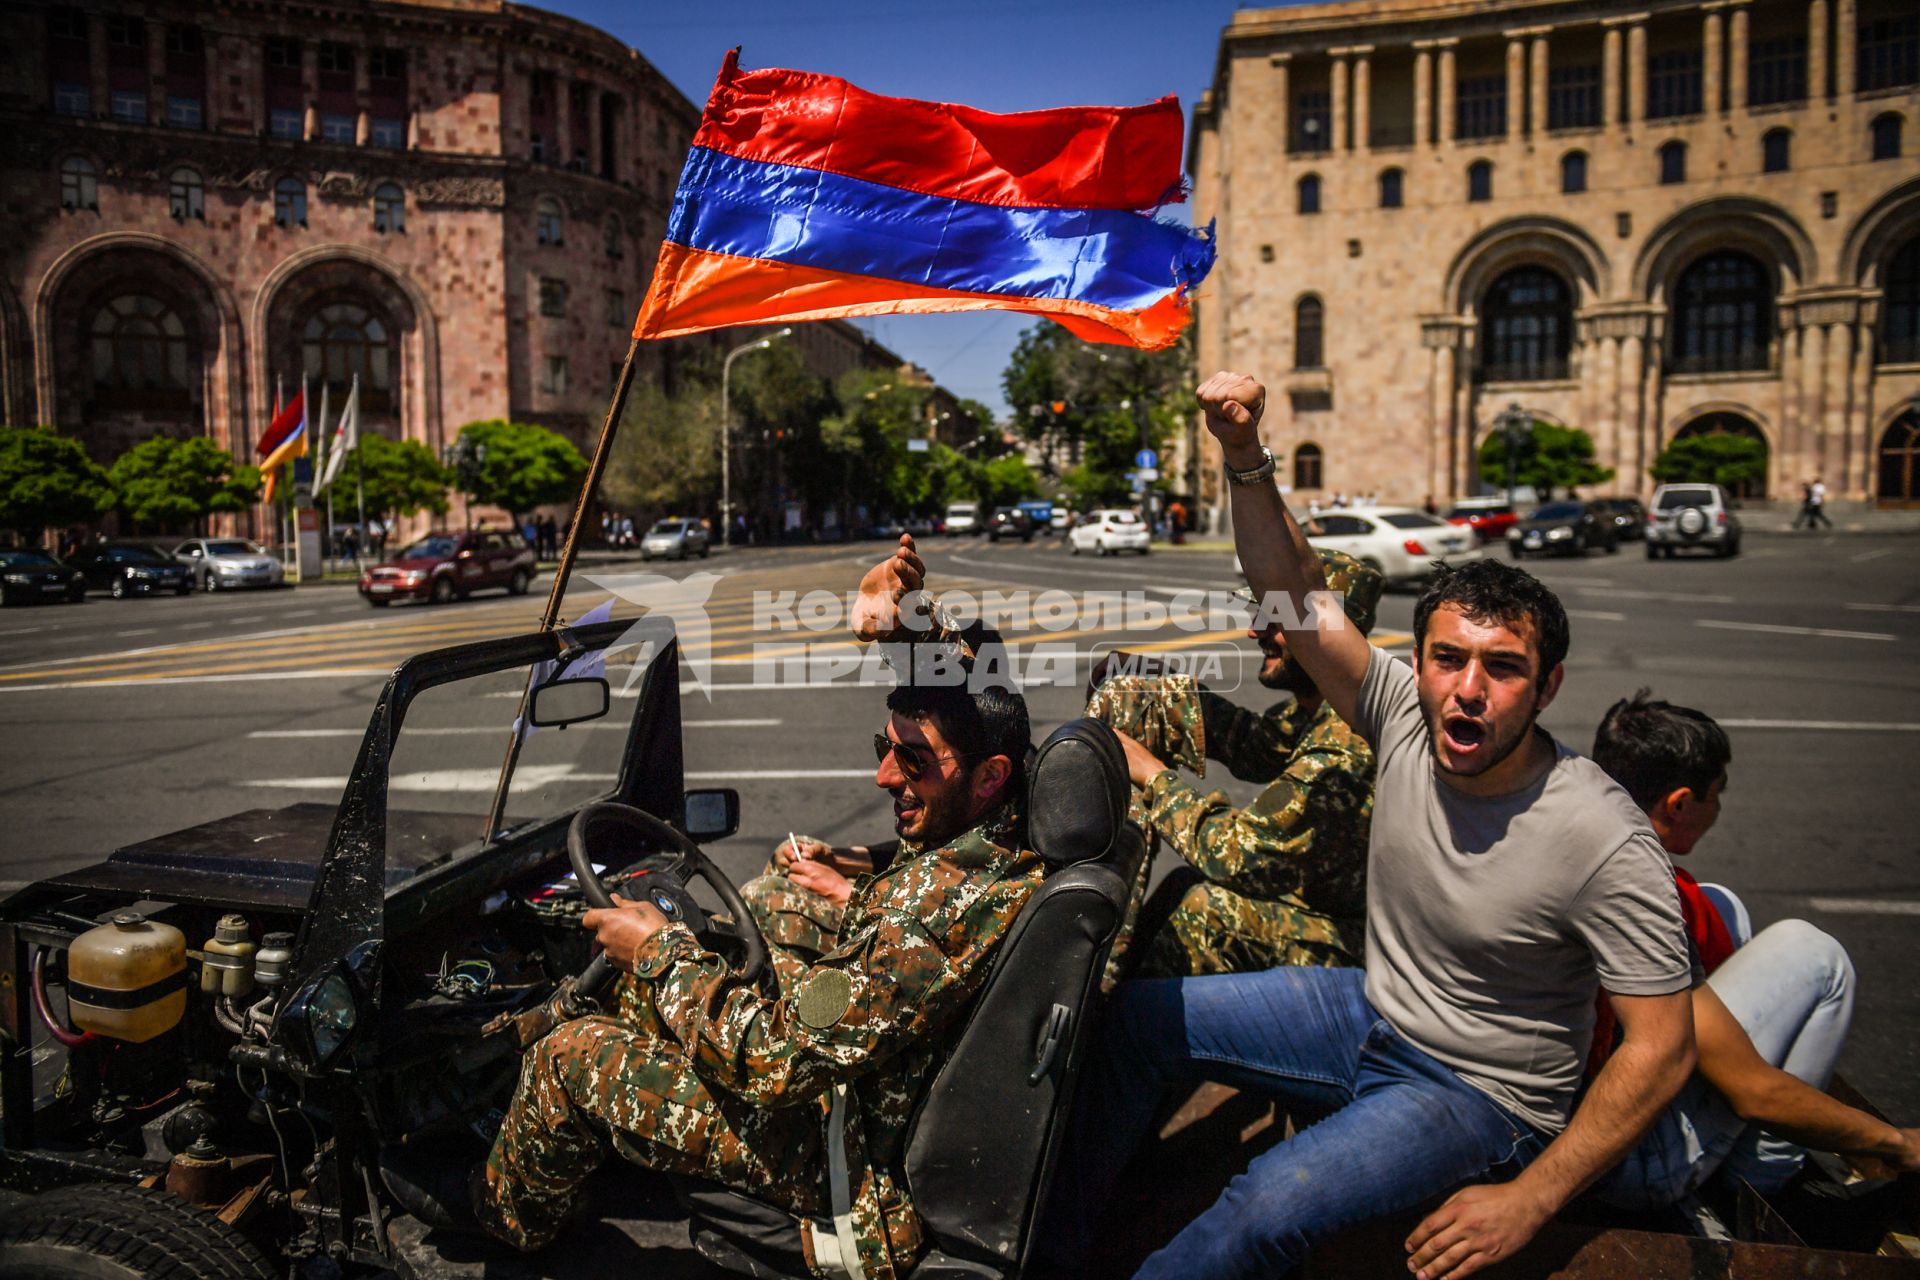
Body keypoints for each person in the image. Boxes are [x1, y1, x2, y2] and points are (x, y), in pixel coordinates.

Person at [1040, 372, 1697, 1280]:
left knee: (1262, 1210)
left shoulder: (1603, 836)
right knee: (1138, 1022)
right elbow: (1296, 593)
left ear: (1546, 689)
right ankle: (1050, 1250)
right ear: (1416, 664)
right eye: (1449, 660)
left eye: (1503, 670)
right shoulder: (1396, 714)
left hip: (1479, 1094)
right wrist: (1241, 452)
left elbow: (1663, 1048)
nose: (1469, 690)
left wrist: (1531, 1196)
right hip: (1369, 1010)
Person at [470, 545, 1039, 1280]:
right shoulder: (1012, 823)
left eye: (913, 764)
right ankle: (532, 1090)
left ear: (990, 778)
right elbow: (988, 702)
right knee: (761, 912)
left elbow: (774, 1064)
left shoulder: (926, 922)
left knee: (570, 1055)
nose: (883, 774)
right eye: (884, 748)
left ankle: (502, 1218)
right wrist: (907, 628)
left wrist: (658, 951)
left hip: (848, 1169)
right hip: (867, 1103)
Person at [1588, 691, 1920, 1207]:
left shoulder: (1583, 835)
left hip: (1573, 1115)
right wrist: (1897, 1144)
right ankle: (1754, 1183)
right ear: (1678, 804)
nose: (1719, 808)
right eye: (1715, 793)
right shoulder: (1646, 894)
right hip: (1619, 1162)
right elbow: (1751, 1090)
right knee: (1814, 953)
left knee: (1724, 906)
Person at [1085, 549, 1382, 980]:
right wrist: (1166, 690)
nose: (1254, 629)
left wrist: (1152, 775)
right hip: (1311, 911)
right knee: (1137, 698)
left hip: (1352, 942)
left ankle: (1109, 1016)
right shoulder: (1322, 706)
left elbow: (1243, 858)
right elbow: (1257, 744)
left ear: (1329, 632)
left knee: (1203, 915)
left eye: (1275, 619)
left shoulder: (1348, 739)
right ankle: (1087, 957)